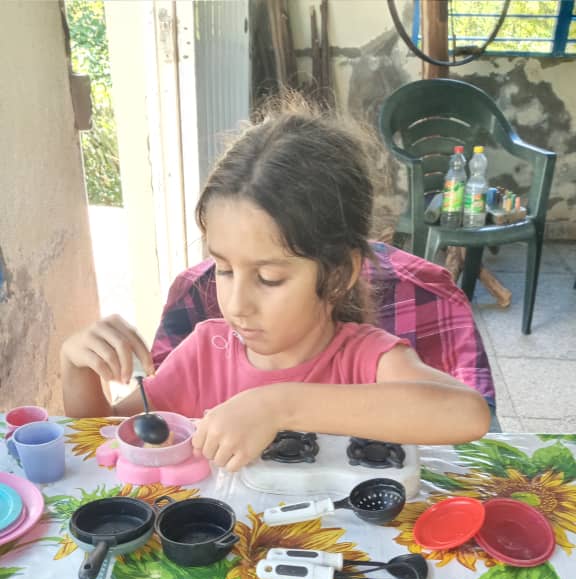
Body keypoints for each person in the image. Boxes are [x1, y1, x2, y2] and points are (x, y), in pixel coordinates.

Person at [61, 99, 491, 472]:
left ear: (339, 274)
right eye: (224, 270)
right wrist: (77, 367)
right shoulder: (205, 353)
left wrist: (278, 405)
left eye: (269, 278)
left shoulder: (363, 359)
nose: (236, 305)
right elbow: (103, 438)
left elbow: (468, 414)